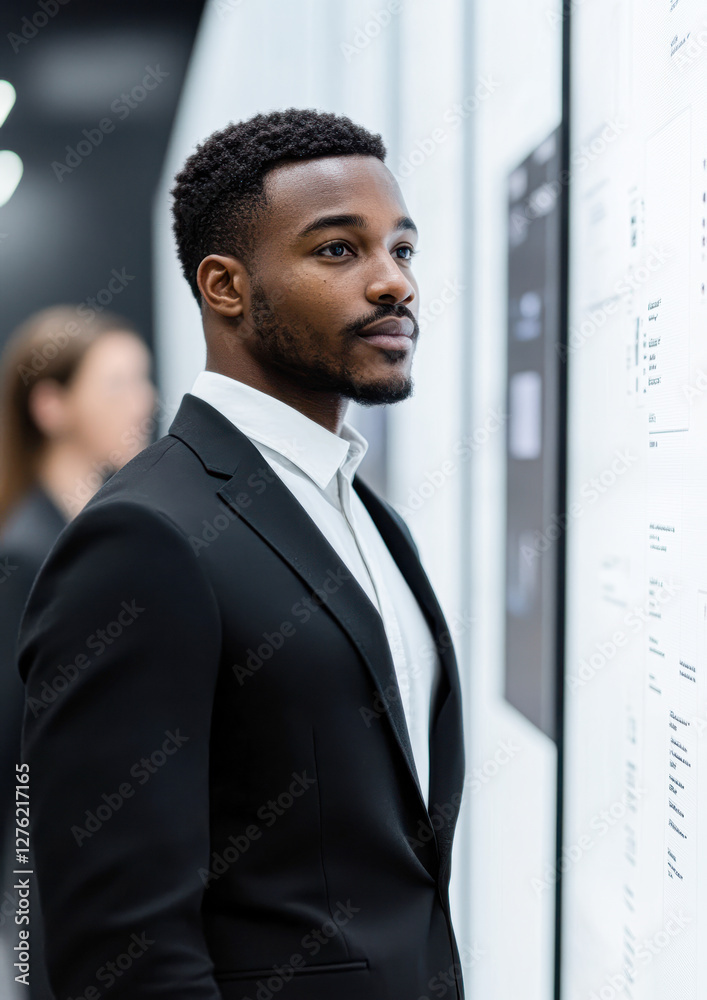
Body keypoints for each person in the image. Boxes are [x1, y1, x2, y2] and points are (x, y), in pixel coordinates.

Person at [18, 108, 466, 1000]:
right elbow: (121, 953)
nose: (393, 285)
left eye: (402, 251)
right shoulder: (143, 536)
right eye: (339, 250)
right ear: (225, 286)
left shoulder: (373, 522)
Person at [0, 306, 155, 999]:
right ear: (51, 404)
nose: (145, 401)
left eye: (144, 380)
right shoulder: (26, 553)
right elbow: (19, 754)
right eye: (118, 384)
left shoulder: (94, 535)